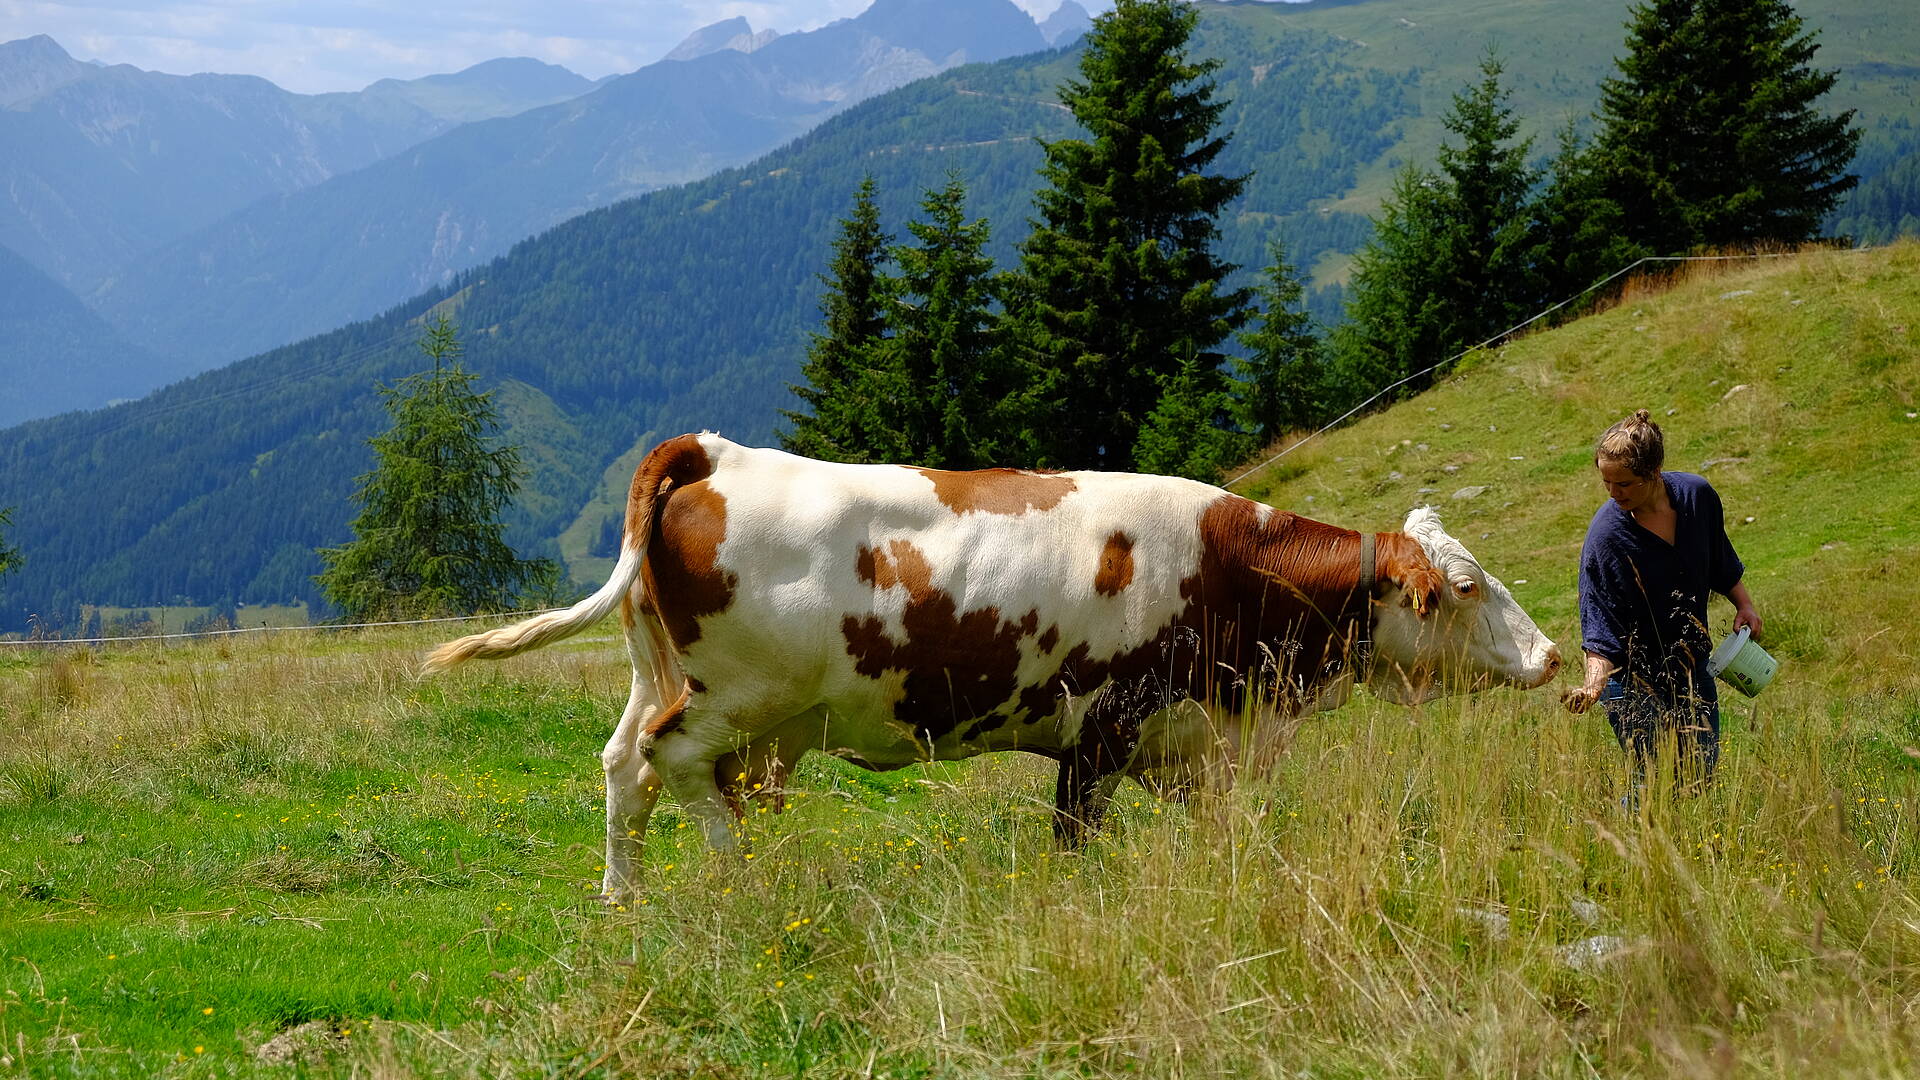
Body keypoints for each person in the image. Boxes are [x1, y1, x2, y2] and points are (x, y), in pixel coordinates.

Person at [1562, 409, 1761, 795]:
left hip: (1692, 665)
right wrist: (1591, 686)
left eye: (1624, 483)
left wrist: (1744, 604)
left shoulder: (1697, 497)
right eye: (1605, 482)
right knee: (1652, 782)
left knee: (1699, 776)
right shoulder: (1606, 538)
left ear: (1654, 473)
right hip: (1631, 679)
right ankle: (1629, 851)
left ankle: (1686, 852)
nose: (1613, 493)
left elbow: (1719, 558)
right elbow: (1600, 628)